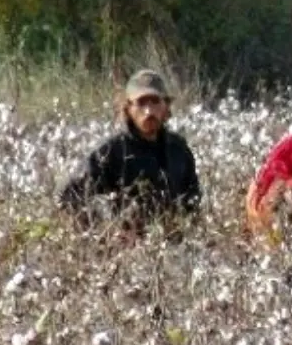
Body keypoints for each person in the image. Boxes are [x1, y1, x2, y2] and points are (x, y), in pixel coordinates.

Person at [58, 69, 202, 237]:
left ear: (166, 106)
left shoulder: (178, 149)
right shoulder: (112, 151)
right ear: (128, 109)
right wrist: (103, 233)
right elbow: (69, 197)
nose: (149, 111)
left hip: (173, 250)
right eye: (141, 103)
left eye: (155, 102)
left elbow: (193, 200)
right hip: (128, 255)